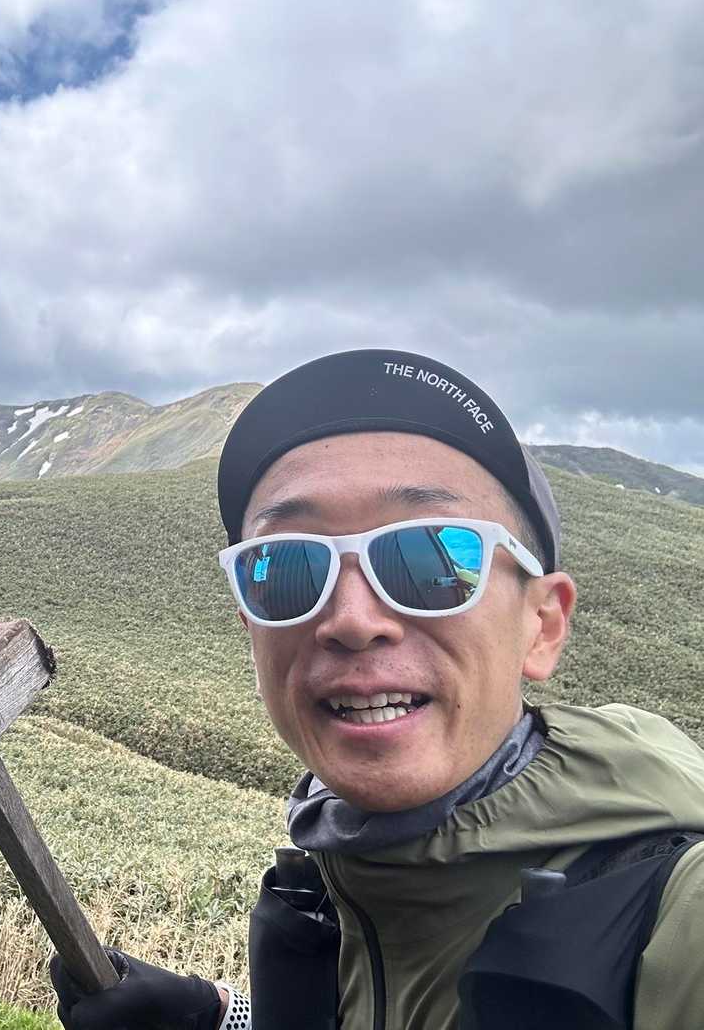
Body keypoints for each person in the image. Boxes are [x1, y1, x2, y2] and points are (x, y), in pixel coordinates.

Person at [49, 349, 704, 1030]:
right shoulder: (344, 891)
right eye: (286, 568)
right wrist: (222, 1018)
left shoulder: (681, 915)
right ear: (250, 624)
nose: (352, 620)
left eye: (430, 560)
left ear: (541, 624)